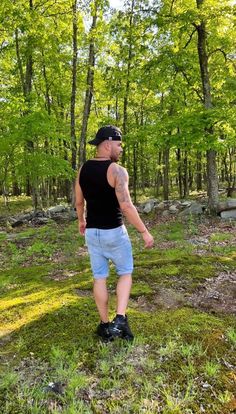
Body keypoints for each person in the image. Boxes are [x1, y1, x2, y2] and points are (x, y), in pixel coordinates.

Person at [75, 125, 154, 341]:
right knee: (125, 272)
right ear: (107, 144)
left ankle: (104, 326)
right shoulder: (117, 171)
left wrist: (82, 221)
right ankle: (120, 318)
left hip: (92, 233)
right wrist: (144, 232)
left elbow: (79, 201)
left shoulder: (83, 169)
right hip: (114, 232)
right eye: (119, 145)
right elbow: (126, 206)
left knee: (99, 277)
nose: (121, 150)